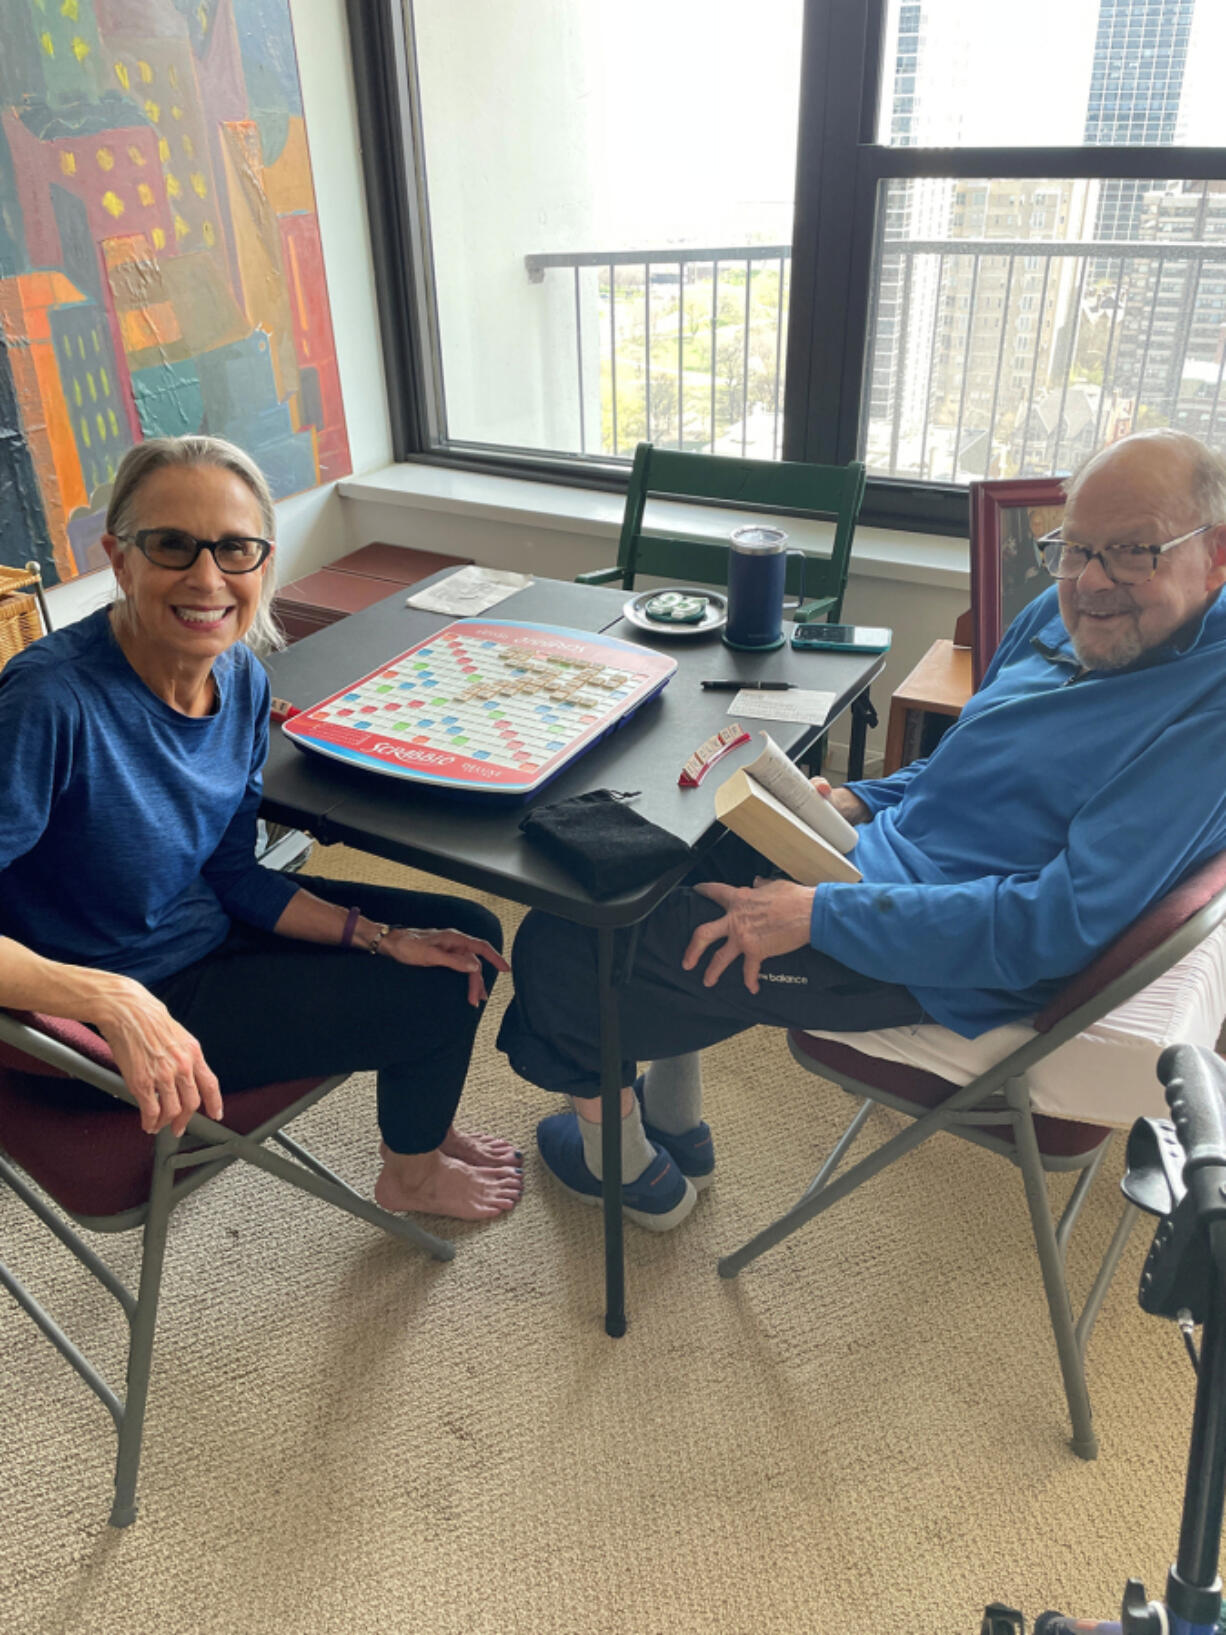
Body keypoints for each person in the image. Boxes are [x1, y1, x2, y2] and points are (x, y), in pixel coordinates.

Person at [497, 428, 1226, 1230]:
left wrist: (815, 913)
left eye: (1130, 552)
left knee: (569, 942)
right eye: (1075, 548)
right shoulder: (1055, 618)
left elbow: (1049, 929)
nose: (1089, 582)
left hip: (937, 951)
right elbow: (966, 768)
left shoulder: (1208, 713)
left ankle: (627, 1170)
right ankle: (678, 1125)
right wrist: (862, 800)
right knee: (649, 849)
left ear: (1215, 554)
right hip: (868, 862)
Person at [0, 435, 522, 1222]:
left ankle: (423, 1134)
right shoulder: (49, 703)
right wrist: (107, 998)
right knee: (436, 998)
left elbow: (231, 873)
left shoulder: (240, 677)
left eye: (235, 549)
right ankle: (409, 1174)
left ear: (263, 561)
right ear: (120, 557)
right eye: (173, 545)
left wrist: (378, 935)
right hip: (90, 1026)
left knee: (459, 931)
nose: (207, 578)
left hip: (200, 938)